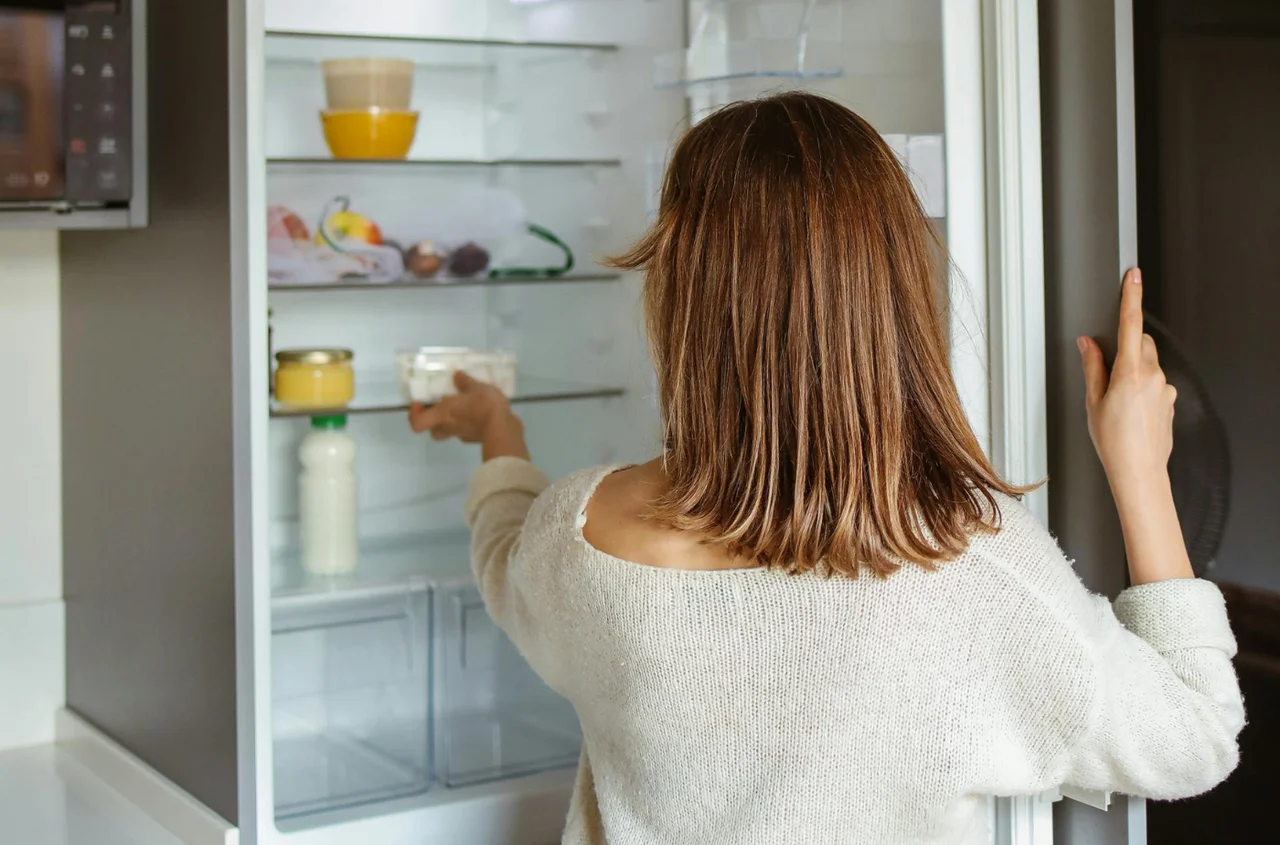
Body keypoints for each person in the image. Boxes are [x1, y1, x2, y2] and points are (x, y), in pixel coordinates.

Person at [408, 92, 1243, 845]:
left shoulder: (583, 533)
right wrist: (1140, 472)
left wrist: (497, 431)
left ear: (682, 301)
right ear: (893, 296)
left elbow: (503, 554)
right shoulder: (971, 569)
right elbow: (1196, 737)